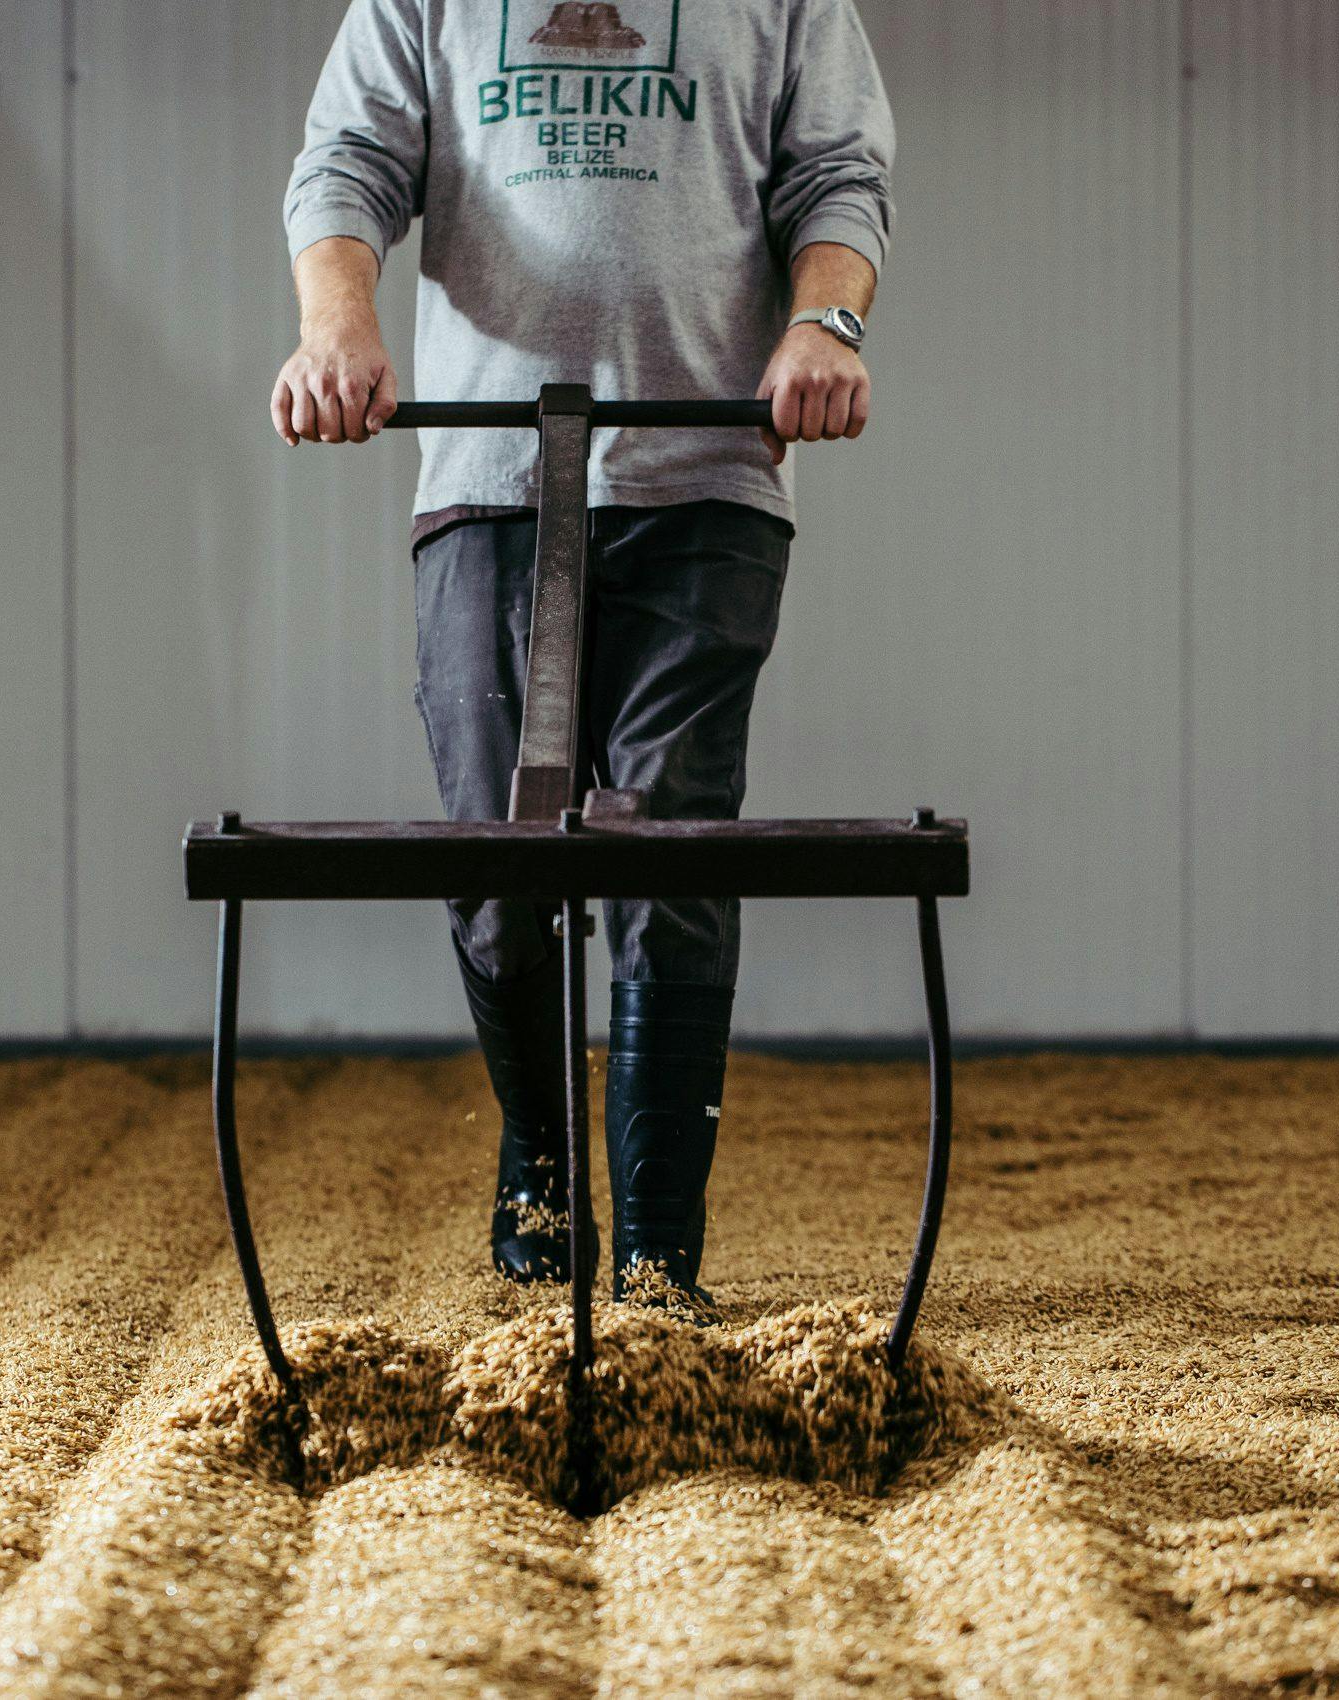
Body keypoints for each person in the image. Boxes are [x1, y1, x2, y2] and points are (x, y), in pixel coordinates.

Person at [274, 0, 893, 1316]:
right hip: (489, 478)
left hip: (706, 474)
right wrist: (337, 325)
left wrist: (819, 329)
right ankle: (541, 1160)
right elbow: (348, 158)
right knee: (498, 861)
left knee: (671, 848)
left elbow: (835, 170)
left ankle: (660, 1254)